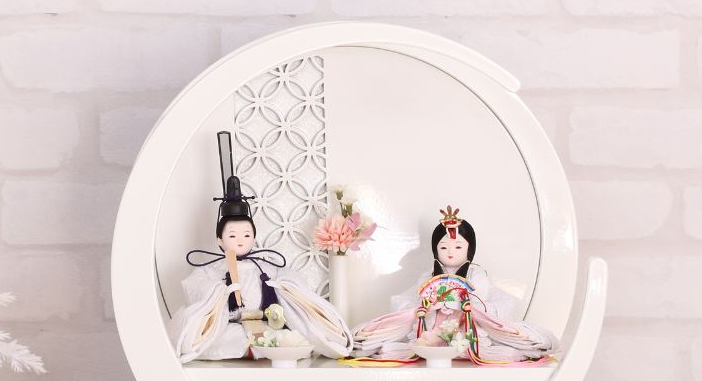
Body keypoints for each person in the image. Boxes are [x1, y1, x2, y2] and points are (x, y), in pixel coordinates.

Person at [169, 132, 352, 363]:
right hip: (230, 327)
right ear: (220, 240)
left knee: (288, 337)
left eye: (246, 234)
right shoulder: (212, 270)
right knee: (221, 339)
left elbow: (292, 281)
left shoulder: (265, 268)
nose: (240, 240)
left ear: (254, 238)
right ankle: (254, 348)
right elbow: (194, 286)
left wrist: (283, 285)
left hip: (267, 323)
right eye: (232, 235)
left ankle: (264, 347)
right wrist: (217, 292)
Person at [350, 206, 559, 366]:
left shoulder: (477, 276)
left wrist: (462, 306)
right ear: (435, 250)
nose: (450, 252)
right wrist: (427, 306)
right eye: (444, 247)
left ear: (469, 249)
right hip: (434, 326)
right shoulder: (428, 276)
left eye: (458, 246)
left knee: (505, 353)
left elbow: (486, 301)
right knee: (392, 348)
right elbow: (409, 300)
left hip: (466, 326)